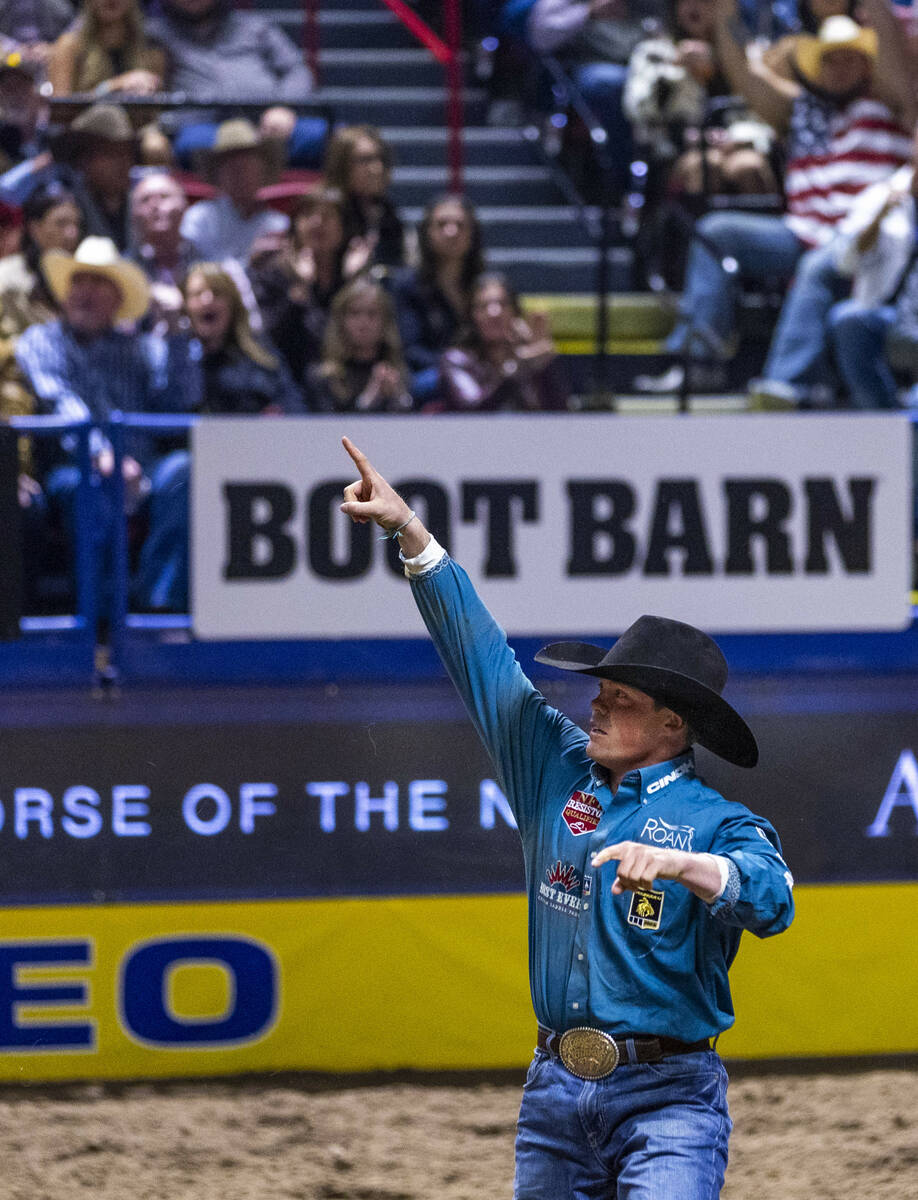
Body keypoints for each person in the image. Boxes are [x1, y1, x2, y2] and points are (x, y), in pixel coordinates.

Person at [338, 435, 795, 1198]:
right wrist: (411, 536)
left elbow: (772, 898)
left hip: (672, 1097)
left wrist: (688, 866)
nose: (598, 703)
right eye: (602, 690)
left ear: (674, 729)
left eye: (624, 699)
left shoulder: (720, 823)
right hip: (553, 1088)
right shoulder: (552, 763)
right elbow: (482, 659)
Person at [635, 0, 916, 393]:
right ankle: (699, 360)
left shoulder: (894, 105)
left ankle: (785, 384)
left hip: (867, 238)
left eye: (850, 57)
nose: (839, 66)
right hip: (801, 232)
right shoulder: (802, 107)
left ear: (869, 63)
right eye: (830, 58)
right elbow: (745, 77)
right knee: (717, 231)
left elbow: (894, 64)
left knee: (819, 266)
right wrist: (726, 14)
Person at [14, 235, 192, 613]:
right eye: (79, 282)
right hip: (74, 467)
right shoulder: (41, 341)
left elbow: (180, 402)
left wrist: (177, 333)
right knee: (88, 490)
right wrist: (100, 454)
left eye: (98, 284)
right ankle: (102, 620)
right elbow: (62, 403)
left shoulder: (143, 347)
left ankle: (159, 606)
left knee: (183, 471)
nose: (85, 293)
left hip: (143, 467)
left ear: (117, 300)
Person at [748, 120, 918, 408]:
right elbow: (846, 261)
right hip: (893, 313)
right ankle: (880, 419)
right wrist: (879, 218)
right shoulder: (882, 194)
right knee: (847, 319)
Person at [144, 0, 325, 171]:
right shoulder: (155, 35)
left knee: (320, 135)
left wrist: (283, 107)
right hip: (205, 127)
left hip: (270, 123)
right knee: (192, 143)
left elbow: (296, 70)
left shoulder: (255, 26)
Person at [248, 184, 373, 385]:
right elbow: (270, 340)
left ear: (345, 227)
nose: (316, 223)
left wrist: (353, 283)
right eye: (307, 215)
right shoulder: (273, 274)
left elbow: (355, 341)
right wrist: (301, 288)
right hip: (289, 380)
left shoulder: (356, 275)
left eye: (327, 216)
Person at [391, 194, 485, 404]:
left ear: (473, 233)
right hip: (430, 377)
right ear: (427, 232)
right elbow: (411, 350)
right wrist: (457, 366)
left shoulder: (485, 285)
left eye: (460, 225)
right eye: (442, 224)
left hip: (484, 375)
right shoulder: (408, 285)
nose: (451, 232)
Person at [436, 273, 569, 412]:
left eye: (503, 304)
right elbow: (471, 410)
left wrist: (545, 365)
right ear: (471, 315)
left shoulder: (531, 357)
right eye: (483, 306)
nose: (494, 313)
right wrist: (517, 368)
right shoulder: (456, 360)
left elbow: (560, 412)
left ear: (516, 312)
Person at [180, 118, 289, 266]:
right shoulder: (199, 219)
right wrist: (250, 262)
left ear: (262, 171)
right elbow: (194, 274)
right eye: (233, 168)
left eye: (248, 167)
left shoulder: (278, 224)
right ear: (218, 174)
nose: (241, 175)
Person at [308, 277, 413, 412]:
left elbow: (414, 427)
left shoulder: (400, 373)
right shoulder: (322, 378)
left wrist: (399, 398)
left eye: (372, 314)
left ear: (385, 322)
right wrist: (367, 400)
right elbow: (329, 430)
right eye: (355, 313)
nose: (363, 323)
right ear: (341, 321)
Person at [322, 125, 405, 270]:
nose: (377, 168)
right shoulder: (325, 211)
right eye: (365, 160)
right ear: (342, 164)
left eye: (382, 159)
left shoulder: (388, 212)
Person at [47, 0, 165, 97]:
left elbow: (157, 110)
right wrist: (112, 86)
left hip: (136, 122)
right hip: (86, 123)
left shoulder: (151, 49)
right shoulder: (69, 46)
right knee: (108, 116)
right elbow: (60, 109)